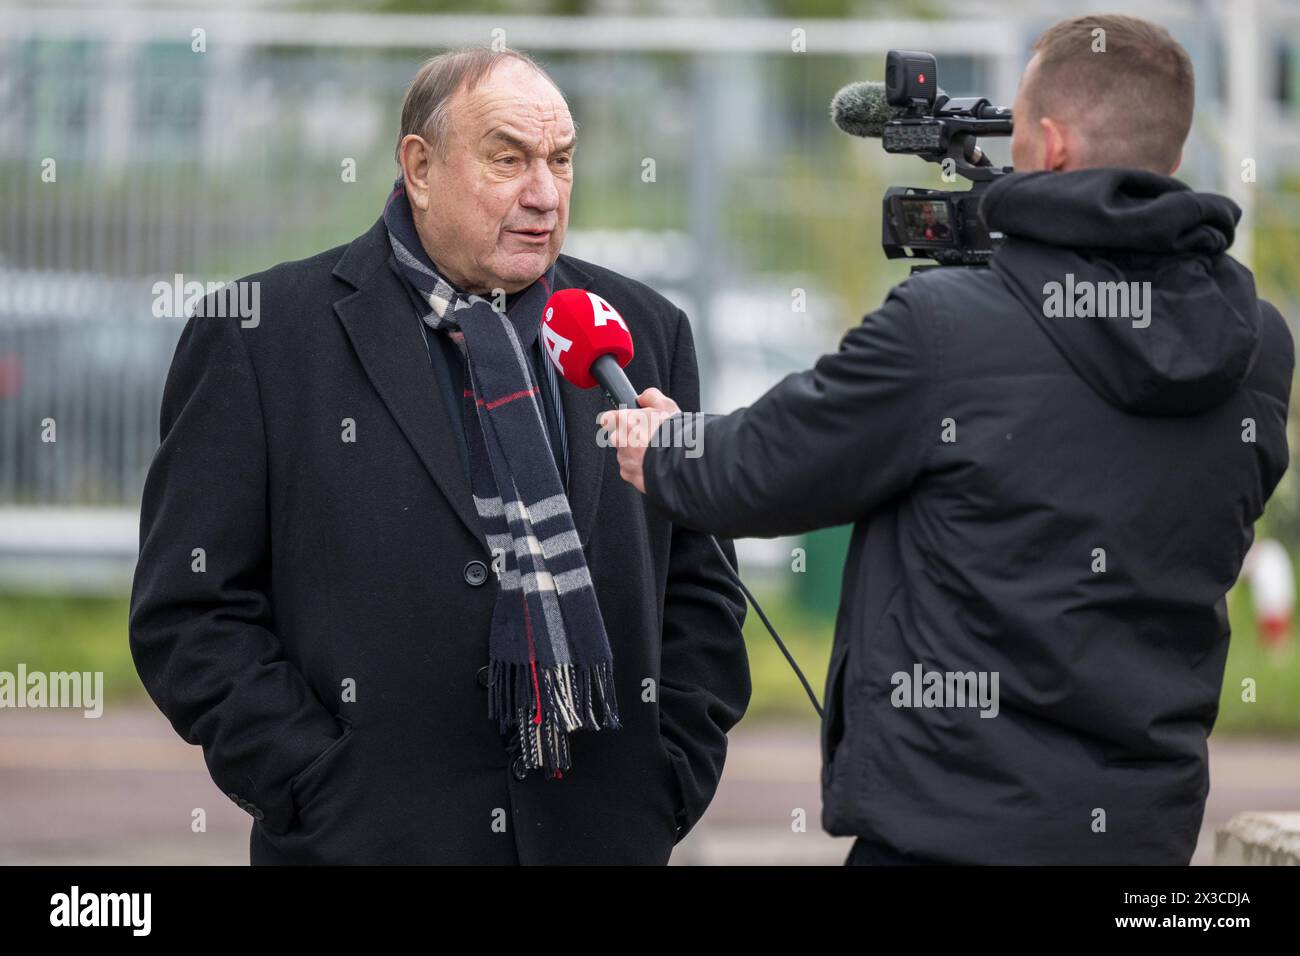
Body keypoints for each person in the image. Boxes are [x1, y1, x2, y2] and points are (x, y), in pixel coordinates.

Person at [600, 14, 1293, 865]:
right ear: (1173, 161)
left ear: (1048, 142)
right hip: (1143, 838)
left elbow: (761, 471)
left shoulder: (946, 328)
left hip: (947, 833)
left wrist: (665, 444)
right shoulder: (1257, 342)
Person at [129, 47, 750, 865]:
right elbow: (190, 610)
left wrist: (665, 779)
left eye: (561, 161)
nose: (544, 193)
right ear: (419, 168)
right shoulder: (265, 335)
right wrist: (311, 780)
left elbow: (704, 591)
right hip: (366, 841)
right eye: (508, 159)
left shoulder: (639, 331)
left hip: (597, 838)